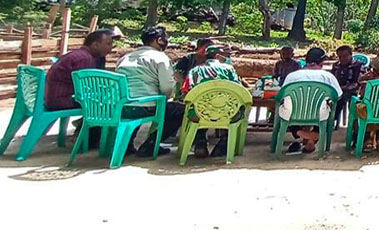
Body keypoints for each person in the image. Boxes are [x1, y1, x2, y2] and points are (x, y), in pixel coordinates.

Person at [116, 26, 185, 156]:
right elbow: (167, 88)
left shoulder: (125, 58)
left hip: (121, 106)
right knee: (181, 111)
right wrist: (166, 97)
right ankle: (150, 145)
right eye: (166, 39)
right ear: (159, 40)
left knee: (135, 107)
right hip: (145, 107)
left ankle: (126, 145)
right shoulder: (160, 58)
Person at [279, 47, 342, 154]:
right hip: (318, 114)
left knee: (284, 110)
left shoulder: (292, 76)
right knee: (329, 109)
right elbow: (338, 96)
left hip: (293, 113)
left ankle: (300, 133)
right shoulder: (328, 77)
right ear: (322, 62)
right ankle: (314, 136)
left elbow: (281, 96)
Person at [183, 44, 240, 158]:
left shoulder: (194, 70)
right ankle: (222, 144)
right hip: (227, 112)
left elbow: (187, 90)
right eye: (224, 55)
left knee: (196, 107)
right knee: (238, 110)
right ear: (218, 56)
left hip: (199, 113)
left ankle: (200, 143)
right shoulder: (229, 69)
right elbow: (238, 89)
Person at [46, 29, 115, 113]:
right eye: (108, 44)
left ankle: (86, 124)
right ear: (95, 45)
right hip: (62, 101)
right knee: (111, 104)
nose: (111, 47)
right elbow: (88, 88)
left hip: (54, 99)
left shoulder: (80, 55)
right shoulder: (85, 59)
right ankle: (92, 125)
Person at [355, 56, 379, 152]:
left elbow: (362, 94)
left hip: (369, 112)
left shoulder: (369, 81)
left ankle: (367, 139)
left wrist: (363, 79)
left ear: (373, 69)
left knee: (360, 110)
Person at [331, 44, 365, 126]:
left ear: (351, 55)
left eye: (345, 56)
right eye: (340, 57)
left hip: (354, 90)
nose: (342, 59)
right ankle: (329, 120)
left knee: (345, 97)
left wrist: (346, 88)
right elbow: (333, 79)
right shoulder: (336, 66)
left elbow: (359, 81)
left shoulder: (359, 65)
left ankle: (353, 123)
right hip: (339, 89)